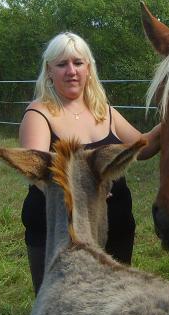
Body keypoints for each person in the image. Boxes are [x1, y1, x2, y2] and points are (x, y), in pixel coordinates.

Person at [19, 32, 160, 294]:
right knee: (62, 304)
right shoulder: (39, 113)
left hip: (115, 225)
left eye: (78, 63)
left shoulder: (104, 111)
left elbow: (143, 147)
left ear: (89, 68)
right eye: (62, 64)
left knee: (114, 299)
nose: (71, 71)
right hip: (61, 231)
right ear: (49, 71)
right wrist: (83, 192)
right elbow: (37, 172)